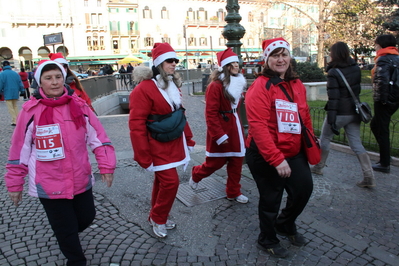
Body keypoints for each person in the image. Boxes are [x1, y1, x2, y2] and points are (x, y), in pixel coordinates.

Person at [4, 60, 116, 266]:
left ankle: (68, 234)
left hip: (80, 176)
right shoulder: (30, 111)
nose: (54, 82)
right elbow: (19, 149)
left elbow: (98, 138)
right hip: (49, 182)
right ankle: (75, 259)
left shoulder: (79, 106)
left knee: (87, 217)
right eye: (48, 78)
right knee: (65, 227)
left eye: (58, 77)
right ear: (40, 83)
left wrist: (106, 165)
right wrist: (14, 183)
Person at [245, 37, 314, 258]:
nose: (281, 59)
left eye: (284, 54)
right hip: (265, 153)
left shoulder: (297, 84)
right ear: (267, 60)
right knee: (270, 198)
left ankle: (284, 224)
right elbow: (258, 127)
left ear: (289, 57)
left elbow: (304, 116)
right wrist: (276, 159)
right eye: (275, 55)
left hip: (293, 150)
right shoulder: (260, 87)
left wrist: (311, 140)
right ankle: (267, 239)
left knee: (303, 190)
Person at [129, 42, 195, 238]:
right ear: (158, 63)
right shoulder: (143, 89)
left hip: (174, 142)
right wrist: (142, 155)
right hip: (156, 145)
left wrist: (189, 138)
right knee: (170, 182)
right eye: (169, 61)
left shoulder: (172, 84)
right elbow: (136, 124)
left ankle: (156, 215)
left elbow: (180, 114)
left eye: (175, 60)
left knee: (162, 180)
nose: (174, 64)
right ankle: (158, 217)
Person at [311, 42, 375, 187]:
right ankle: (369, 176)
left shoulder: (334, 72)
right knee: (356, 144)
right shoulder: (355, 69)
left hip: (339, 112)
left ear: (334, 54)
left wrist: (332, 119)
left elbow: (334, 98)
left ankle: (319, 167)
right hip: (354, 112)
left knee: (325, 137)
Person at [189, 48, 248, 204]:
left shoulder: (239, 82)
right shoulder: (215, 86)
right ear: (226, 66)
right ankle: (196, 174)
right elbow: (210, 113)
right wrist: (220, 135)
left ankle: (233, 192)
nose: (237, 65)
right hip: (222, 128)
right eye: (233, 63)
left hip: (236, 127)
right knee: (215, 163)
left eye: (237, 62)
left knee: (236, 162)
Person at [370, 34, 399, 174]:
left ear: (381, 44)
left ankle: (384, 163)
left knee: (382, 129)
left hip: (384, 100)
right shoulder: (396, 57)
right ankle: (385, 155)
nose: (375, 47)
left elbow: (382, 81)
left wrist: (382, 101)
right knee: (376, 125)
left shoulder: (383, 59)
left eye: (376, 44)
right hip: (394, 99)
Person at [0, 61, 25, 126]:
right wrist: (22, 90)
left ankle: (15, 120)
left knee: (10, 107)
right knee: (15, 106)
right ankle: (18, 119)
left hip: (7, 91)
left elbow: (0, 84)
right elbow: (20, 82)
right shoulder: (15, 73)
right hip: (15, 91)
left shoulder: (2, 74)